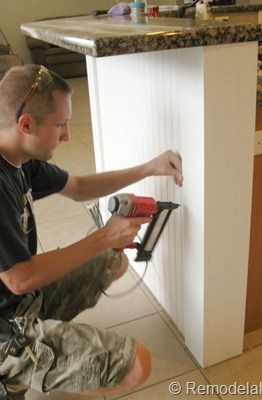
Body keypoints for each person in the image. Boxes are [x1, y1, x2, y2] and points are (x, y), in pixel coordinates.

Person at [0, 64, 183, 399]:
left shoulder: (19, 157)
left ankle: (39, 356)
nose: (67, 135)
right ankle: (10, 378)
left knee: (112, 261)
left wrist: (149, 167)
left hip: (18, 299)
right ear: (26, 124)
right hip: (5, 321)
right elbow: (19, 279)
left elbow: (80, 187)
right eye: (61, 125)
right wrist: (102, 236)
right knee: (138, 363)